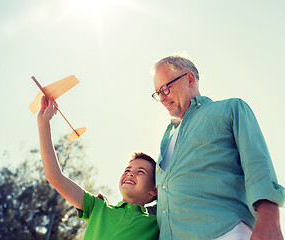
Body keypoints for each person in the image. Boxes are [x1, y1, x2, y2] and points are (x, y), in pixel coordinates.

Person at [151, 54, 284, 240]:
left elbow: (257, 164)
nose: (163, 98)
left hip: (226, 232)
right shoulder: (168, 136)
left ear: (189, 79)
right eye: (158, 93)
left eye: (165, 89)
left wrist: (270, 220)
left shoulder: (230, 109)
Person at [37, 96, 159, 240]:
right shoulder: (98, 207)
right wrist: (44, 124)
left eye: (140, 172)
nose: (130, 174)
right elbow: (55, 177)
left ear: (154, 189)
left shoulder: (158, 224)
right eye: (127, 170)